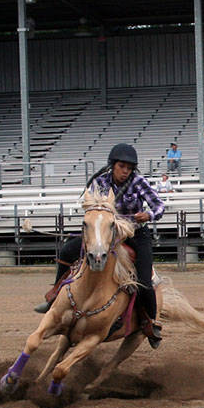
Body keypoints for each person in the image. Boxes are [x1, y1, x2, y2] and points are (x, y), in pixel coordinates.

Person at [37, 143, 165, 347]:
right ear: (113, 165)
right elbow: (90, 206)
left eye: (129, 168)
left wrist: (148, 215)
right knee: (67, 251)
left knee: (144, 281)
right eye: (122, 166)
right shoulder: (99, 182)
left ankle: (150, 322)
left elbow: (159, 205)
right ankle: (54, 296)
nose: (126, 171)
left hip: (135, 233)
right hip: (105, 232)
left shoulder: (138, 182)